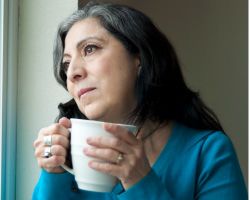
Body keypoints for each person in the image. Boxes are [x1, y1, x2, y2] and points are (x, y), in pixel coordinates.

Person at [32, 1, 247, 200]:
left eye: (90, 49)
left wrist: (140, 181)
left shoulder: (209, 153)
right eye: (66, 64)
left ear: (139, 57)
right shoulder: (65, 162)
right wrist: (53, 174)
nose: (72, 74)